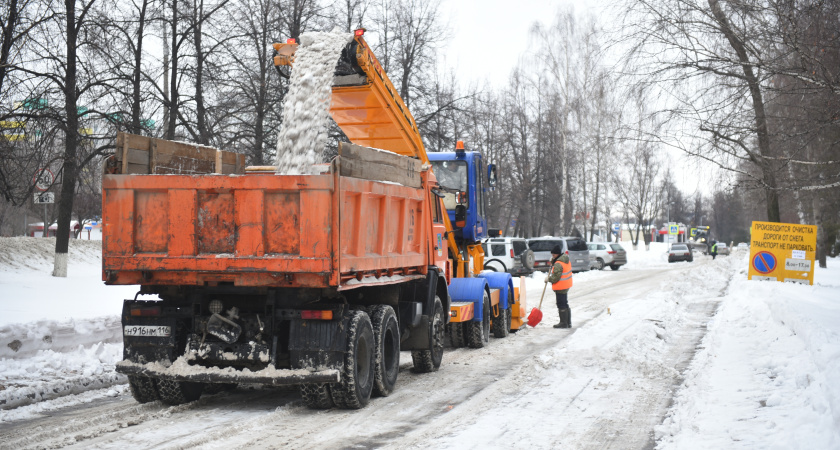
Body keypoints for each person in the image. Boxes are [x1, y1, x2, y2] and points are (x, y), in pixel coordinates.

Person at [544, 245, 573, 328]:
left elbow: (556, 277)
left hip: (560, 286)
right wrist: (553, 261)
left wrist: (548, 279)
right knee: (565, 303)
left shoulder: (558, 264)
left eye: (554, 255)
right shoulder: (565, 260)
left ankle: (563, 323)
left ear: (557, 254)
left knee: (561, 304)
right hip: (566, 285)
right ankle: (568, 322)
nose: (552, 256)